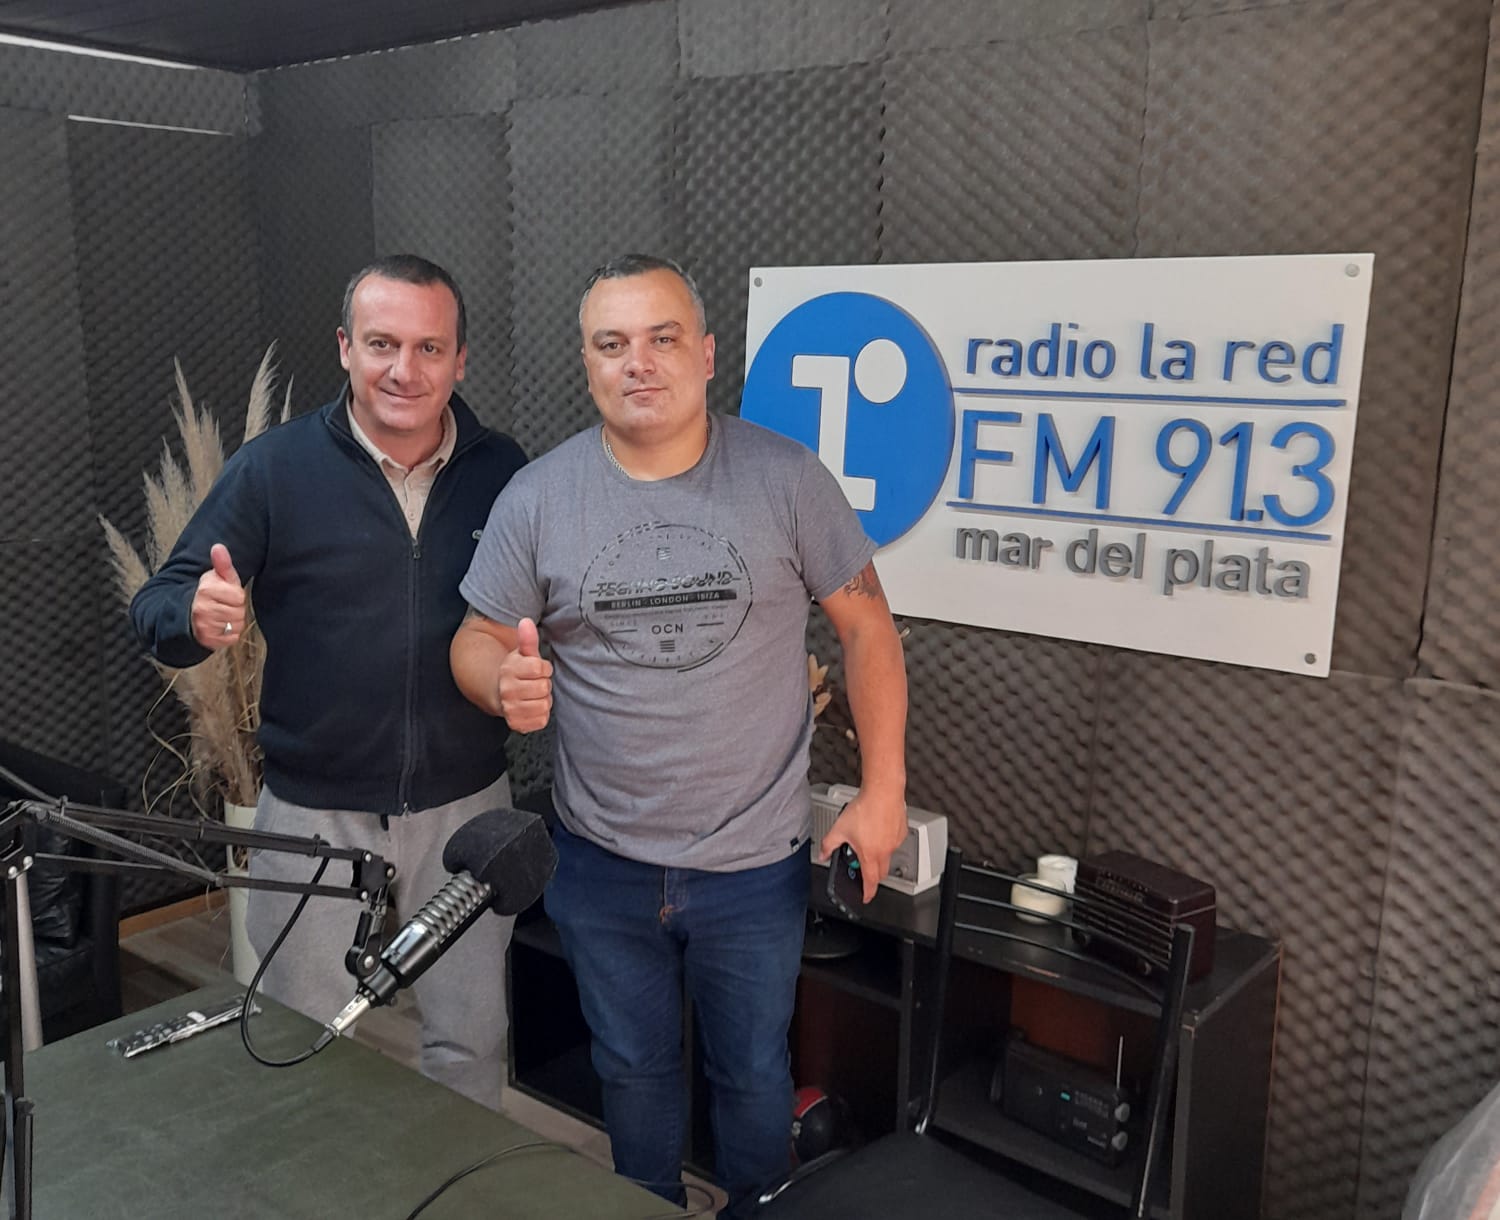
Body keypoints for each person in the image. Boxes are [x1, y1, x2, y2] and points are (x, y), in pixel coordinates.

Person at [450, 253, 909, 1213]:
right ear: (587, 362)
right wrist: (500, 682)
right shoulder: (539, 496)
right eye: (612, 343)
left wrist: (884, 792)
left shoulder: (787, 480)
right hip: (600, 862)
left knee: (752, 1073)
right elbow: (477, 637)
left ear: (705, 354)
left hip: (753, 865)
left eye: (661, 338)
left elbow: (868, 628)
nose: (638, 362)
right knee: (631, 1068)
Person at [130, 254, 527, 1110]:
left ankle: (458, 1181)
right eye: (382, 343)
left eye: (429, 348)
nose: (404, 369)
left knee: (470, 1041)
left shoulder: (504, 470)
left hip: (467, 806)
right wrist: (193, 616)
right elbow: (157, 602)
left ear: (461, 360)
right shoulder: (274, 468)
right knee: (294, 1042)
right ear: (345, 348)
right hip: (314, 813)